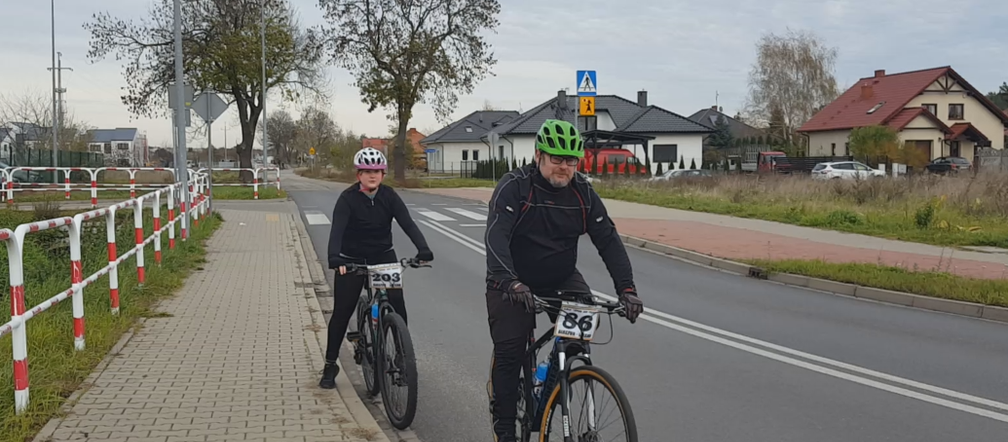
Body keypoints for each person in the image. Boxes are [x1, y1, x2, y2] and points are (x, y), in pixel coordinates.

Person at [483, 119, 645, 441]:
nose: (564, 167)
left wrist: (626, 289)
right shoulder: (515, 186)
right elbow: (495, 236)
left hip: (561, 277)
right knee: (511, 350)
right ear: (539, 155)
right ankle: (504, 428)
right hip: (513, 279)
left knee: (577, 343)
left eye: (571, 160)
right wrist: (508, 281)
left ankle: (552, 393)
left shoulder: (583, 192)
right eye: (557, 158)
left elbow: (608, 241)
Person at [320, 147, 434, 389]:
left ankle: (402, 358)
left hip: (383, 257)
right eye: (367, 171)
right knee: (341, 313)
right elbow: (337, 231)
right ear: (358, 174)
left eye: (377, 171)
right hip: (351, 260)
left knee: (397, 306)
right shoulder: (347, 199)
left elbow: (408, 224)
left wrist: (422, 248)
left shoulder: (389, 196)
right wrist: (335, 258)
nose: (373, 175)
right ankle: (330, 365)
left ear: (383, 174)